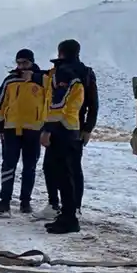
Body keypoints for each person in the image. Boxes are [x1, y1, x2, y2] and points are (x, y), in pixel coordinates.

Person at [0, 48, 47, 216]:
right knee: (8, 165)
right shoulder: (9, 81)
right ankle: (4, 201)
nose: (22, 66)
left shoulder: (42, 80)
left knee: (29, 167)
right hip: (11, 129)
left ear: (32, 62)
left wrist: (46, 127)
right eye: (19, 63)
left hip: (34, 130)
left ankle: (25, 202)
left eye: (25, 62)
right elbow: (0, 104)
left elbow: (49, 103)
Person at [40, 43, 87, 234]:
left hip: (62, 129)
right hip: (71, 128)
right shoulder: (79, 71)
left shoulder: (64, 73)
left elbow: (58, 102)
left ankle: (69, 218)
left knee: (62, 174)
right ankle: (67, 214)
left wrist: (48, 129)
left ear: (60, 53)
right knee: (64, 173)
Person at [61, 38, 99, 214]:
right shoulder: (87, 73)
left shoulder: (60, 71)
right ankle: (74, 206)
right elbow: (93, 103)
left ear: (61, 52)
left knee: (58, 168)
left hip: (59, 125)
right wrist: (88, 129)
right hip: (78, 125)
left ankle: (63, 206)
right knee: (74, 167)